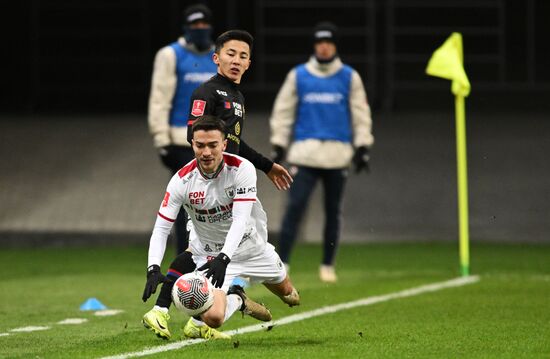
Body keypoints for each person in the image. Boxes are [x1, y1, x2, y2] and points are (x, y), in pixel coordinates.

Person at [142, 115, 300, 340]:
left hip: (252, 248)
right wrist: (153, 268)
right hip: (212, 256)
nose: (206, 152)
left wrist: (225, 257)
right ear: (192, 145)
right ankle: (238, 298)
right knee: (214, 317)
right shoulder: (181, 181)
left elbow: (240, 219)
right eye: (200, 145)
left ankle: (250, 290)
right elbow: (161, 228)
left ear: (224, 145)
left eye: (212, 145)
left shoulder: (242, 169)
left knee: (290, 297)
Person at [269, 21, 374, 283]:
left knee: (333, 211)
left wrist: (363, 146)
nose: (324, 47)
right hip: (304, 155)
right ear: (315, 45)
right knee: (294, 208)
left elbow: (361, 114)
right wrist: (279, 143)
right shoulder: (299, 75)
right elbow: (283, 111)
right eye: (320, 42)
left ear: (335, 45)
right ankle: (282, 264)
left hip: (337, 156)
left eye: (328, 42)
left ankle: (328, 265)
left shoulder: (349, 76)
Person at [147, 4, 217, 255]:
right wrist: (161, 140)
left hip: (214, 142)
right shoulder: (170, 55)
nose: (200, 29)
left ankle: (218, 259)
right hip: (181, 140)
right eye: (195, 25)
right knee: (187, 202)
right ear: (186, 28)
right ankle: (185, 260)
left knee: (218, 202)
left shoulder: (217, 56)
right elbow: (159, 98)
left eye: (204, 25)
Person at [186, 29, 292, 192]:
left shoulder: (238, 97)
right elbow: (193, 136)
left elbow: (233, 142)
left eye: (242, 56)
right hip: (209, 184)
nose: (236, 61)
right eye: (230, 54)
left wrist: (267, 166)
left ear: (248, 64)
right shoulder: (206, 92)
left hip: (230, 181)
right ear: (216, 58)